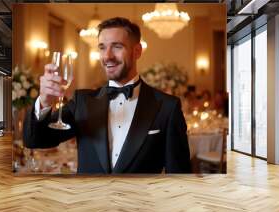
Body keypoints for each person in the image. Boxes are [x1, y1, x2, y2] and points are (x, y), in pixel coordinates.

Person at [23, 17, 191, 174]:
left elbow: (179, 176)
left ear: (137, 51)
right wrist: (44, 102)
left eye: (117, 46)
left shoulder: (168, 107)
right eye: (102, 47)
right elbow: (35, 140)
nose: (107, 56)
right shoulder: (83, 101)